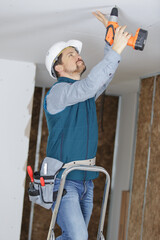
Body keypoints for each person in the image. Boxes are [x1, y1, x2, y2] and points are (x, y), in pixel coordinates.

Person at [44, 11, 131, 240]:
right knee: (80, 237)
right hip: (64, 181)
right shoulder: (57, 93)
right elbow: (89, 86)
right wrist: (116, 50)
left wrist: (110, 32)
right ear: (59, 68)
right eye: (71, 55)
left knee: (77, 238)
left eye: (77, 53)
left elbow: (102, 79)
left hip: (86, 181)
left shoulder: (84, 95)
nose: (78, 56)